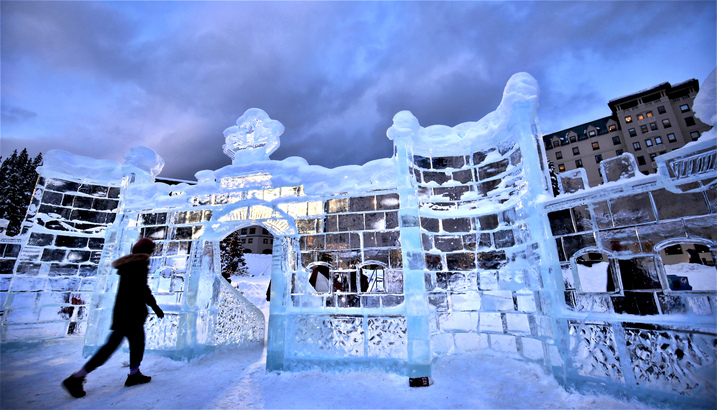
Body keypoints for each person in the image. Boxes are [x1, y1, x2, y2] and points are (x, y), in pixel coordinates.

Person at [62, 238, 164, 398]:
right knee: (115, 347)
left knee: (135, 344)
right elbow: (142, 289)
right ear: (146, 251)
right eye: (152, 249)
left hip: (125, 313)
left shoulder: (130, 265)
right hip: (132, 314)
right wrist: (155, 306)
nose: (153, 252)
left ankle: (134, 374)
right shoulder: (139, 264)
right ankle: (77, 377)